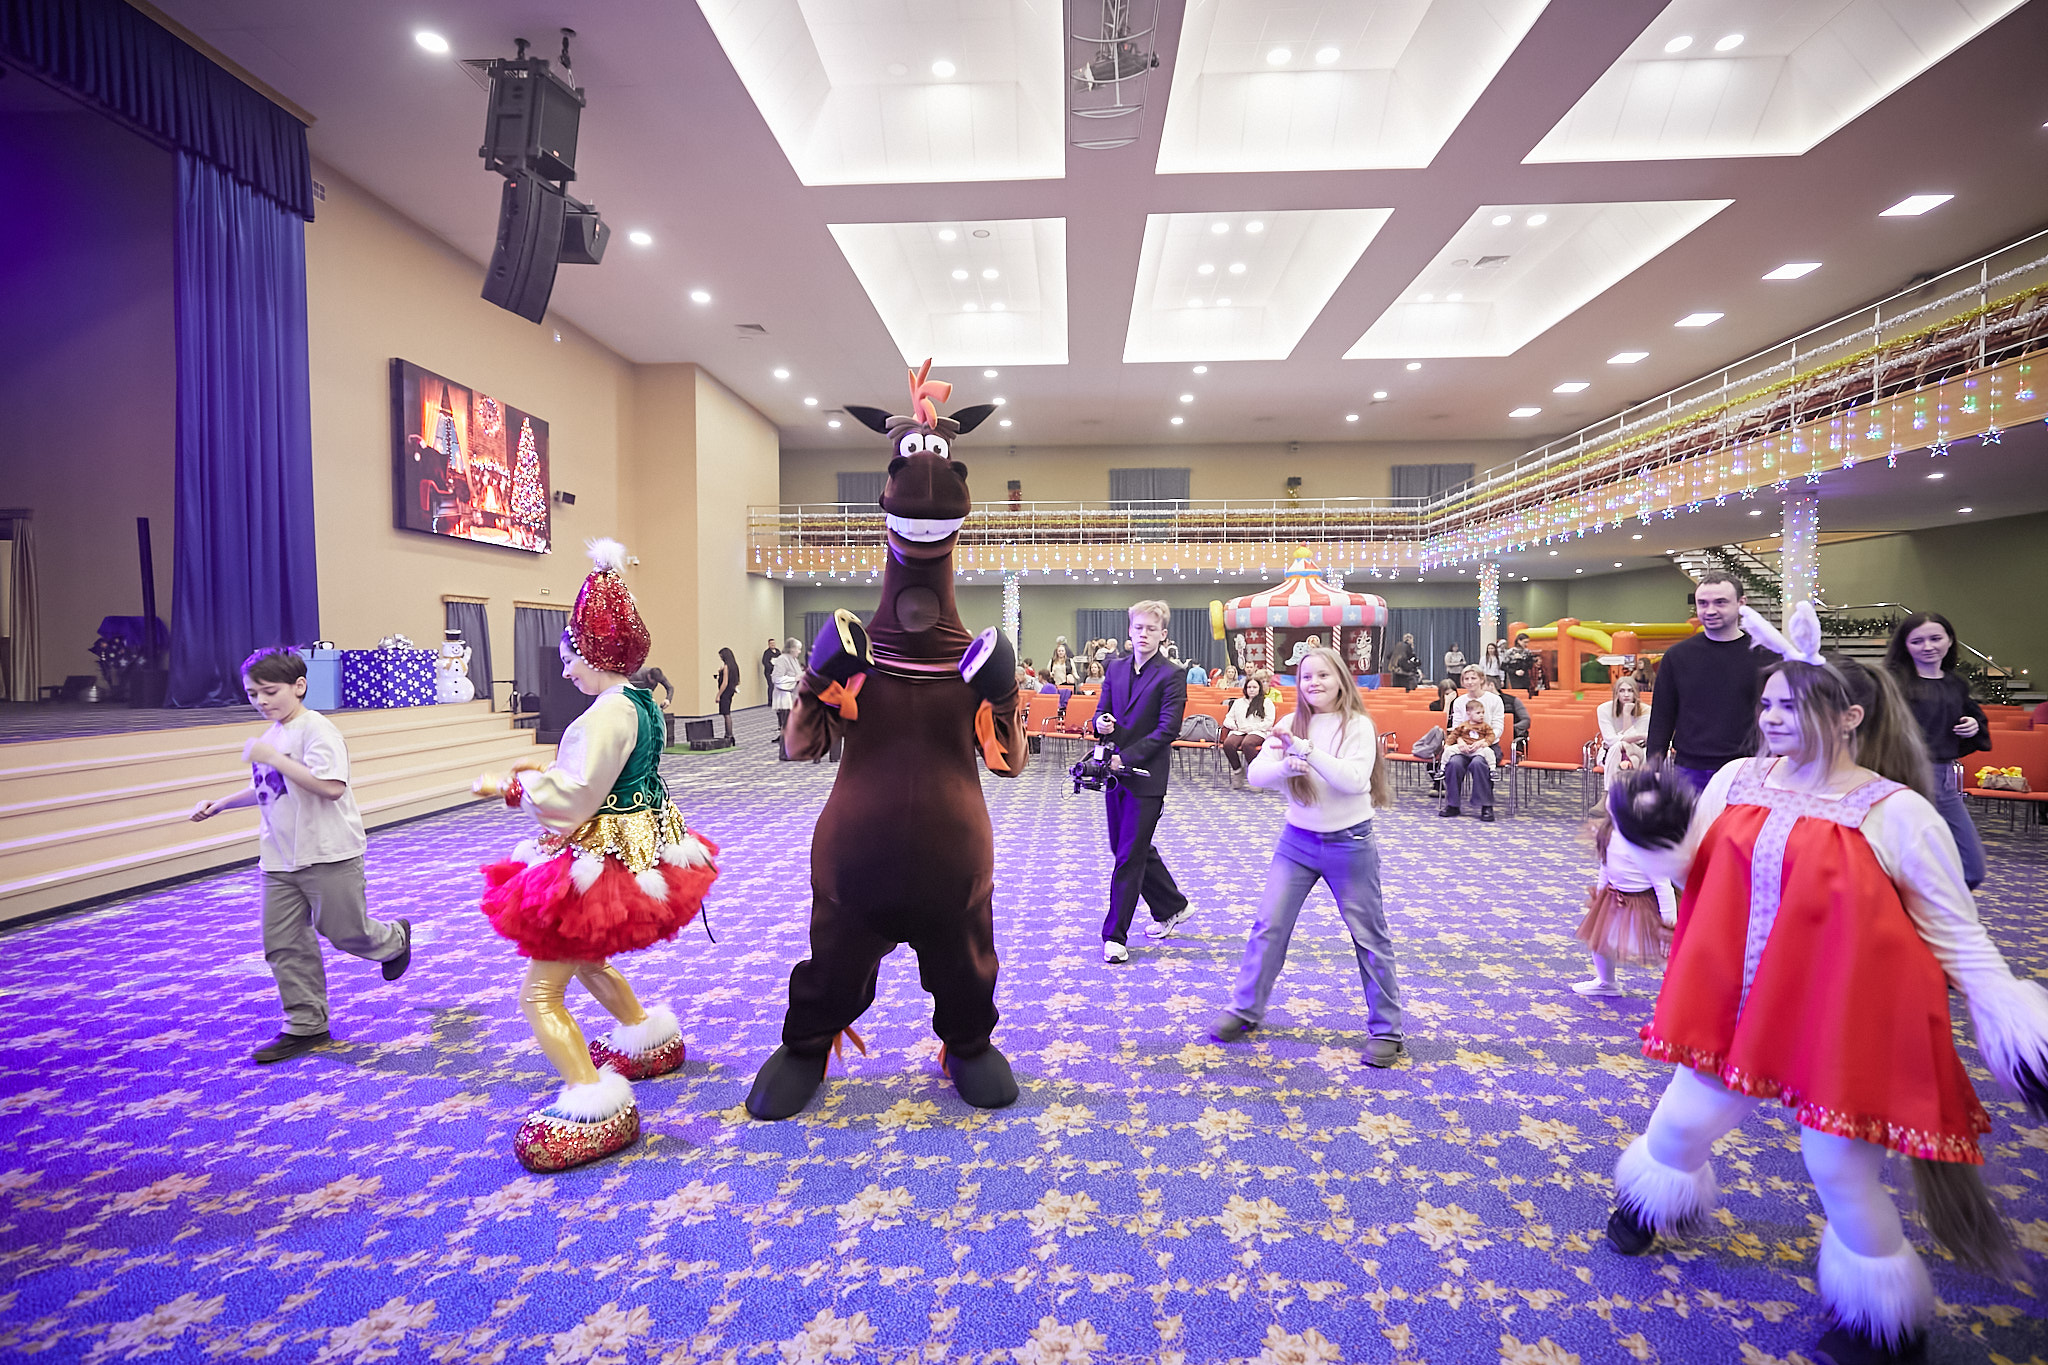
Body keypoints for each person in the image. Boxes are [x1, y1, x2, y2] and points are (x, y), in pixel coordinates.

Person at [1603, 607, 2048, 1365]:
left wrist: (2006, 1007)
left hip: (1838, 1020)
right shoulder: (1738, 780)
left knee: (1838, 1170)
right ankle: (1654, 1204)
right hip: (1736, 1008)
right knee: (1678, 1128)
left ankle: (1883, 1321)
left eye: (1792, 705)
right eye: (1767, 704)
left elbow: (1957, 931)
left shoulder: (1898, 813)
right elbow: (1695, 869)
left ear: (1849, 717)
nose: (1772, 718)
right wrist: (1650, 840)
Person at [473, 541, 718, 1172]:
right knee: (587, 959)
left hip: (595, 861)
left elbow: (576, 796)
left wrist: (511, 787)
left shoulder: (601, 716)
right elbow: (604, 776)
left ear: (595, 654)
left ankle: (591, 1100)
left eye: (570, 660)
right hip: (634, 845)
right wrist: (545, 771)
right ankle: (643, 1036)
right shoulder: (641, 701)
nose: (565, 672)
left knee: (539, 995)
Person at [191, 647, 413, 1064]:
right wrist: (222, 803)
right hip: (278, 858)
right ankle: (306, 1024)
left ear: (299, 686)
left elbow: (330, 787)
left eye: (269, 691)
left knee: (345, 932)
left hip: (328, 852)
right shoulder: (272, 737)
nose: (261, 701)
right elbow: (271, 787)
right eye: (253, 694)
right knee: (281, 943)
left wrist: (275, 759)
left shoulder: (318, 731)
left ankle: (394, 939)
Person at [1211, 647, 1405, 1066]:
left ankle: (1387, 1029)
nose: (1314, 683)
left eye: (1322, 675)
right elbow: (1256, 774)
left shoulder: (1358, 725)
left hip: (1350, 843)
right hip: (1297, 841)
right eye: (1305, 677)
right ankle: (1245, 1009)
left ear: (1341, 680)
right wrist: (1285, 767)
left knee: (1369, 937)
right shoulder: (1287, 723)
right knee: (1269, 927)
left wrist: (1306, 752)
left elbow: (1355, 781)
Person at [1095, 600, 1192, 963]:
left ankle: (1114, 936)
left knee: (1129, 856)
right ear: (1130, 631)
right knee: (1126, 848)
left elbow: (1168, 729)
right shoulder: (1115, 668)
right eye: (1138, 628)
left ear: (1162, 634)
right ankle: (1172, 905)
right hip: (1114, 774)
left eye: (1151, 629)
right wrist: (1100, 723)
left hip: (1147, 777)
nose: (1144, 634)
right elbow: (1102, 711)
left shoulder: (1172, 674)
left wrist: (1128, 757)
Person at [1885, 611, 1990, 889]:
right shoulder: (1892, 682)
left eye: (1935, 638)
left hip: (1943, 780)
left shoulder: (1955, 684)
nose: (1928, 646)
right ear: (1905, 645)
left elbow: (1974, 719)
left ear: (1950, 640)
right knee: (1899, 865)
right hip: (1901, 778)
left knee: (1971, 868)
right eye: (1917, 641)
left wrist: (1972, 725)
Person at [1643, 572, 1767, 792]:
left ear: (1741, 603)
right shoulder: (1677, 656)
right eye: (1703, 603)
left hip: (1747, 767)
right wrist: (1653, 764)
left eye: (1720, 602)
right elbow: (1663, 714)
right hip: (1690, 769)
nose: (1710, 610)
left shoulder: (1764, 656)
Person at [1571, 801, 1677, 998]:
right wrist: (1599, 895)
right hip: (1613, 897)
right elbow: (1605, 866)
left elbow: (1663, 886)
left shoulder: (1645, 844)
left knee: (1662, 951)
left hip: (1644, 903)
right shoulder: (1608, 832)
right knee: (1600, 941)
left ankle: (1677, 990)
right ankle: (1606, 983)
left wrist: (1669, 925)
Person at [1440, 695, 1498, 822]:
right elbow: (1455, 731)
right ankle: (1452, 804)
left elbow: (1495, 732)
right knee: (1454, 763)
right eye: (1478, 713)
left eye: (1483, 713)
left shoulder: (1494, 701)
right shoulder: (1459, 703)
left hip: (1480, 748)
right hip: (1463, 747)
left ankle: (1486, 805)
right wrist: (1458, 742)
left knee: (1478, 764)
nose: (1481, 715)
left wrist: (1483, 742)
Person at [1220, 675, 1275, 787]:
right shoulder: (1238, 702)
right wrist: (1234, 726)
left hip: (1258, 731)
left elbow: (1269, 721)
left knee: (1247, 744)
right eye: (1249, 687)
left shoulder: (1266, 702)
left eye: (1254, 687)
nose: (1251, 690)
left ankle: (1255, 774)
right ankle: (1237, 771)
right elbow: (1228, 719)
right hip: (1239, 730)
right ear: (1245, 688)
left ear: (1259, 688)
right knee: (1228, 744)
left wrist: (1252, 728)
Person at [1598, 674, 1651, 789]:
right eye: (1622, 691)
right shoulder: (1603, 709)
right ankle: (1631, 793)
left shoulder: (1646, 710)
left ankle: (1610, 792)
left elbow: (1636, 742)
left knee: (1623, 745)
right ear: (1616, 693)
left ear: (1636, 693)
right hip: (1611, 751)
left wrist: (1627, 714)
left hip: (1638, 750)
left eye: (1630, 691)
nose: (1626, 694)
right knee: (1622, 749)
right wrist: (1641, 735)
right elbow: (1611, 740)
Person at [770, 637, 803, 756]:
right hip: (784, 698)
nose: (799, 651)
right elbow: (776, 678)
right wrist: (794, 679)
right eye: (798, 649)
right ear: (792, 648)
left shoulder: (794, 660)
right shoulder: (782, 659)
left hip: (793, 697)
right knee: (787, 726)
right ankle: (785, 753)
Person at [713, 648, 739, 740]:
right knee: (726, 712)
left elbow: (724, 683)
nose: (721, 658)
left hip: (725, 692)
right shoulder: (734, 666)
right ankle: (729, 734)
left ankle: (729, 735)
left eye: (721, 656)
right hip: (730, 690)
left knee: (726, 713)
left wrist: (718, 695)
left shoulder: (727, 667)